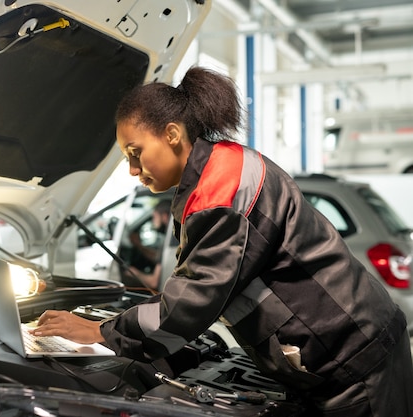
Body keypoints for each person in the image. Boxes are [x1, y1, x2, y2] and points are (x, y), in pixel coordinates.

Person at [30, 67, 413, 416]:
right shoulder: (221, 164)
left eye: (136, 153)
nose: (133, 171)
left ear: (172, 134)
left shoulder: (220, 191)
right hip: (344, 347)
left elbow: (189, 304)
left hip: (352, 359)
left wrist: (100, 331)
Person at [124, 199, 171, 291]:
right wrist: (139, 245)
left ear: (165, 216)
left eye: (154, 217)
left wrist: (133, 272)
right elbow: (158, 258)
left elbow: (154, 282)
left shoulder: (171, 240)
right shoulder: (172, 238)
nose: (153, 222)